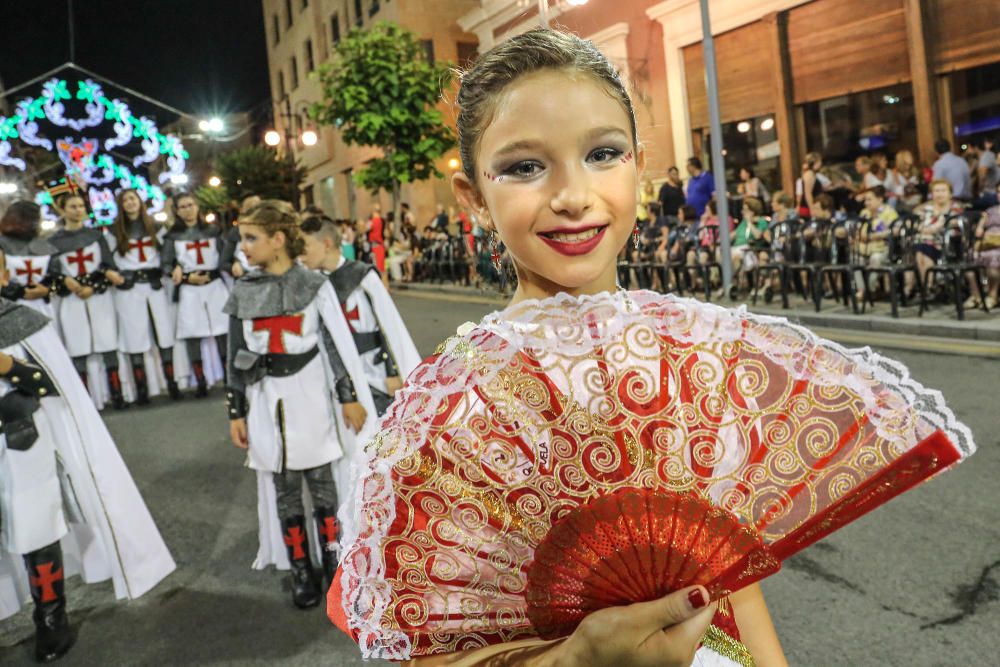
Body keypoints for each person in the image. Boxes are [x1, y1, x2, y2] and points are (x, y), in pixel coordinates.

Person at [328, 29, 976, 667]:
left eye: (603, 153)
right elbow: (419, 643)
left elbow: (727, 572)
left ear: (639, 162)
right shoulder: (457, 413)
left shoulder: (693, 361)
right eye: (525, 166)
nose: (573, 195)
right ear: (473, 198)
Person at [0, 246, 175, 662]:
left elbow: (54, 383)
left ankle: (51, 619)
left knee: (34, 528)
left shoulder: (22, 321)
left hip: (22, 440)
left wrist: (7, 364)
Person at [224, 200, 375, 609]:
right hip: (264, 400)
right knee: (285, 488)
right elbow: (234, 353)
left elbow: (332, 345)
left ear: (277, 240)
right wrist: (235, 410)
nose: (244, 246)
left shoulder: (312, 284)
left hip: (310, 397)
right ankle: (300, 568)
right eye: (242, 238)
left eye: (251, 238)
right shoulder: (243, 291)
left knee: (322, 484)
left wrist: (348, 398)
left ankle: (331, 561)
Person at [299, 213, 421, 416]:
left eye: (305, 247)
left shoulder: (362, 276)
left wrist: (394, 371)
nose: (301, 254)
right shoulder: (312, 283)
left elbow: (389, 325)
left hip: (375, 371)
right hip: (338, 379)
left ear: (326, 244)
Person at [48, 192, 128, 409]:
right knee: (78, 347)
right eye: (73, 206)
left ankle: (116, 394)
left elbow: (107, 265)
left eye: (81, 206)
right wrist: (66, 280)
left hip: (98, 297)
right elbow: (52, 273)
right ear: (63, 210)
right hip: (72, 300)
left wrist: (94, 285)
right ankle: (84, 401)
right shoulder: (53, 242)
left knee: (107, 342)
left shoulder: (96, 236)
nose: (78, 210)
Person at [108, 189, 180, 403]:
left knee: (164, 333)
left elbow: (168, 254)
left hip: (154, 284)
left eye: (133, 198)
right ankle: (141, 388)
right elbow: (107, 260)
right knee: (134, 336)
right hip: (129, 288)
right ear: (120, 205)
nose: (130, 203)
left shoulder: (155, 227)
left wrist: (173, 267)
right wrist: (111, 272)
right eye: (125, 200)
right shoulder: (113, 231)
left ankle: (172, 383)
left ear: (140, 201)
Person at [162, 192, 229, 398]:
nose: (188, 209)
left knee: (222, 331)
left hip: (214, 285)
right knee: (193, 334)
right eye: (182, 206)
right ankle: (200, 381)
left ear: (197, 207)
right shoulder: (172, 236)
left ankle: (229, 377)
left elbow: (225, 256)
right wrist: (180, 273)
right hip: (189, 289)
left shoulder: (213, 231)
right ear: (177, 211)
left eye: (190, 205)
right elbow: (166, 264)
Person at [0, 201, 68, 318]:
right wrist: (20, 292)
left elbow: (58, 277)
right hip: (9, 309)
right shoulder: (2, 245)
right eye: (39, 218)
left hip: (43, 308)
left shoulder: (46, 247)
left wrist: (47, 290)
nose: (41, 221)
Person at [857, 186, 899, 297]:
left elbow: (895, 230)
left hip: (883, 248)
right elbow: (858, 229)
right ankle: (862, 290)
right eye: (865, 200)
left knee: (875, 259)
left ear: (880, 199)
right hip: (864, 248)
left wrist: (877, 235)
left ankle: (870, 290)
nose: (866, 202)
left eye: (869, 199)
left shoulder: (889, 212)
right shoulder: (864, 213)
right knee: (856, 260)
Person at [970, 180, 1000, 309]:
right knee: (971, 254)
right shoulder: (990, 210)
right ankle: (976, 295)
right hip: (987, 243)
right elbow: (979, 230)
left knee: (993, 256)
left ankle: (992, 296)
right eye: (999, 192)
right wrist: (980, 229)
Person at [220, 194, 261, 280]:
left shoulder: (271, 229)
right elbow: (224, 263)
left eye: (257, 206)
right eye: (250, 207)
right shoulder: (235, 233)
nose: (254, 210)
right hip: (245, 282)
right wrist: (235, 266)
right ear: (242, 210)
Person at [795, 152, 823, 217]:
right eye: (819, 161)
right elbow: (808, 193)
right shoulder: (809, 174)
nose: (821, 164)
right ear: (814, 162)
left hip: (808, 207)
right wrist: (812, 208)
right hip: (807, 208)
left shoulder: (811, 174)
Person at [367, 204, 386, 276]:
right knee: (381, 268)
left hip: (376, 246)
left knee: (377, 269)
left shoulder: (374, 221)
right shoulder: (381, 221)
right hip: (380, 246)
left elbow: (365, 228)